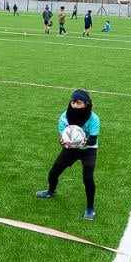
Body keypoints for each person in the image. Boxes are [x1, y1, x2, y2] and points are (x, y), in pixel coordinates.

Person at [35, 89, 100, 221]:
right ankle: (50, 191)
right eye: (73, 102)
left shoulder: (94, 119)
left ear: (86, 104)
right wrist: (64, 142)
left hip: (89, 149)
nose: (75, 105)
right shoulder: (64, 117)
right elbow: (62, 138)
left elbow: (93, 139)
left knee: (88, 178)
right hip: (71, 149)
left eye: (79, 103)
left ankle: (90, 208)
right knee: (53, 172)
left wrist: (81, 141)